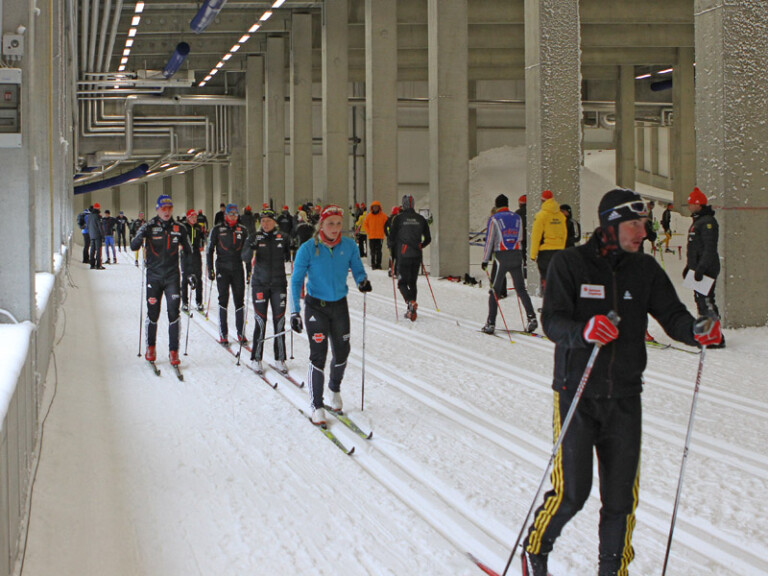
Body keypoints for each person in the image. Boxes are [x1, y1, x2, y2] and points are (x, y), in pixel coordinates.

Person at [520, 188, 722, 576]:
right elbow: (552, 322)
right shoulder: (570, 263)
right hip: (577, 394)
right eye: (635, 224)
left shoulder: (644, 269)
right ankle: (536, 549)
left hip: (625, 398)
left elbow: (673, 316)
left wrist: (696, 330)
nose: (643, 232)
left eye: (644, 224)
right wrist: (584, 331)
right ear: (610, 225)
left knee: (621, 499)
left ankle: (613, 570)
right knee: (572, 493)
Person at [290, 205, 371, 426]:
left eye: (338, 223)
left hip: (339, 306)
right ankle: (316, 405)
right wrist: (294, 311)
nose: (335, 228)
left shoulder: (349, 246)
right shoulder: (308, 248)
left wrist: (362, 281)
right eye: (330, 223)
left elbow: (357, 269)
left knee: (342, 351)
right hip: (316, 307)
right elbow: (296, 281)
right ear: (321, 225)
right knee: (319, 354)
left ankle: (334, 389)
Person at [130, 195, 192, 366]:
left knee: (173, 312)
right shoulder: (149, 226)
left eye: (169, 208)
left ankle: (174, 351)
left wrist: (190, 273)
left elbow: (189, 252)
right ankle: (150, 347)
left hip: (172, 277)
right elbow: (133, 246)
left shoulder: (179, 228)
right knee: (153, 313)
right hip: (154, 277)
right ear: (157, 209)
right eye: (163, 209)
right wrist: (141, 234)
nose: (166, 212)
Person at [481, 195, 538, 334]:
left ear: (497, 205)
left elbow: (489, 240)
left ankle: (490, 323)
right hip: (517, 255)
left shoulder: (494, 219)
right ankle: (531, 317)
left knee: (494, 291)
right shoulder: (517, 217)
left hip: (501, 257)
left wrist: (485, 259)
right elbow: (520, 237)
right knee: (521, 289)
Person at [241, 208, 289, 374]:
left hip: (278, 284)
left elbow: (293, 253)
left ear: (274, 222)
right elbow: (245, 257)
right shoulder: (254, 237)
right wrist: (251, 247)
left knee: (279, 321)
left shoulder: (282, 237)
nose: (265, 224)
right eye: (262, 221)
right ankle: (256, 358)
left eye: (268, 221)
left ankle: (280, 358)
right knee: (260, 321)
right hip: (260, 284)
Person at [684, 187, 725, 349]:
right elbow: (694, 248)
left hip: (707, 268)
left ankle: (715, 336)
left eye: (691, 203)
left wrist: (701, 268)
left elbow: (709, 248)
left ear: (698, 204)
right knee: (700, 300)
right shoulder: (698, 221)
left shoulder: (707, 222)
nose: (689, 206)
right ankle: (707, 333)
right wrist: (689, 267)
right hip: (698, 269)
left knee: (706, 300)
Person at [207, 203, 251, 344]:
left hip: (237, 268)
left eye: (235, 214)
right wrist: (210, 269)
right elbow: (209, 250)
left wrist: (249, 270)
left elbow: (247, 252)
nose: (233, 216)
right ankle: (223, 333)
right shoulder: (217, 229)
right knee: (223, 299)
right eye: (230, 214)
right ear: (225, 215)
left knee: (239, 300)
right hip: (222, 268)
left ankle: (241, 333)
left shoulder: (242, 230)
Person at [389, 195, 431, 321]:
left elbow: (391, 237)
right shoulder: (421, 218)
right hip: (417, 254)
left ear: (404, 204)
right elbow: (428, 238)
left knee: (402, 282)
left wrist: (391, 251)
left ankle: (410, 302)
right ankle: (411, 309)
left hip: (404, 254)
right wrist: (421, 245)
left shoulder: (399, 218)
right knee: (412, 282)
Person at [530, 190, 566, 294]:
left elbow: (536, 236)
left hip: (545, 252)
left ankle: (547, 300)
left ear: (542, 200)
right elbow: (564, 233)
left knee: (546, 279)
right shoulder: (561, 216)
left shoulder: (541, 216)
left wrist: (533, 254)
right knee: (558, 278)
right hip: (559, 251)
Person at [181, 209, 205, 313]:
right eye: (192, 217)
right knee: (185, 277)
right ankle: (185, 302)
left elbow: (202, 238)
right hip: (185, 254)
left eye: (195, 217)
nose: (194, 219)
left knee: (198, 277)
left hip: (196, 253)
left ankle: (199, 301)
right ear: (188, 218)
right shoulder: (183, 227)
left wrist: (202, 244)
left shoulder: (198, 227)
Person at [363, 201, 388, 270]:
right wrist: (368, 232)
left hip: (380, 236)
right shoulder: (369, 216)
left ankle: (378, 264)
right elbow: (365, 224)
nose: (375, 208)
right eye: (374, 207)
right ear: (372, 208)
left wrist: (385, 231)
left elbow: (386, 224)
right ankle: (373, 264)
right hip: (372, 236)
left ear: (379, 207)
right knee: (372, 251)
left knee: (379, 251)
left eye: (376, 207)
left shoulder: (383, 216)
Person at [87, 203, 105, 269]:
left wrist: (90, 233)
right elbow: (100, 227)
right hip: (98, 235)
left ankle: (92, 264)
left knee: (92, 249)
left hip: (91, 235)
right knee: (98, 250)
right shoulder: (98, 216)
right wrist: (103, 236)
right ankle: (98, 265)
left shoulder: (89, 216)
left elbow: (87, 226)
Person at [384, 205, 400, 276]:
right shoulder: (398, 219)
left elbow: (385, 229)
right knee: (397, 256)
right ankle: (396, 270)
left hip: (390, 240)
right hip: (397, 241)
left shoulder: (388, 219)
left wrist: (388, 236)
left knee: (391, 255)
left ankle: (390, 269)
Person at [516, 195, 528, 276]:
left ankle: (525, 271)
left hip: (521, 238)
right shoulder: (532, 211)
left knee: (523, 256)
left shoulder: (517, 213)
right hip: (530, 238)